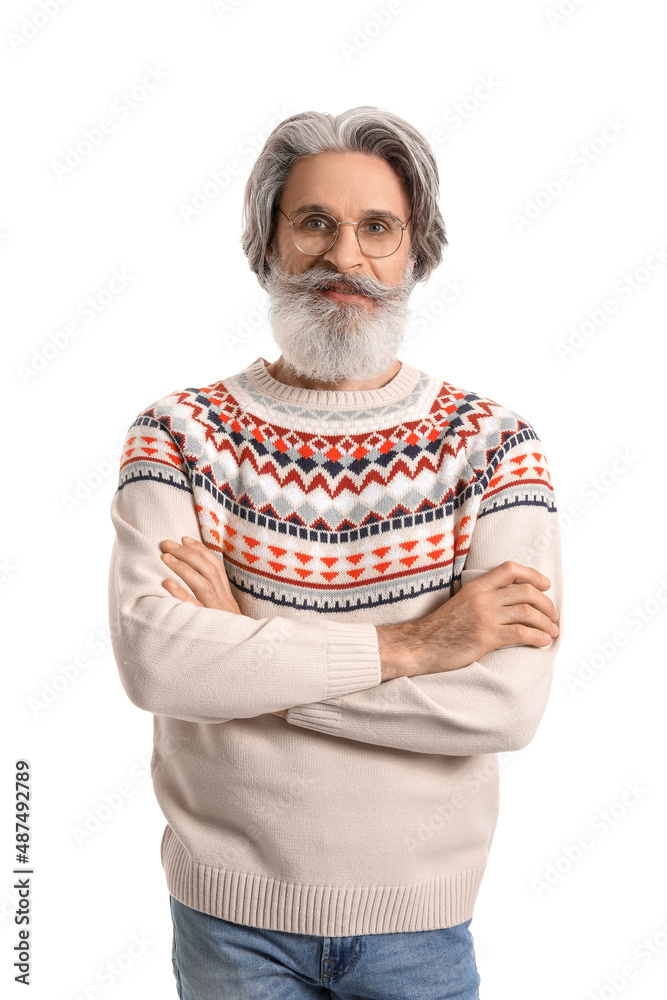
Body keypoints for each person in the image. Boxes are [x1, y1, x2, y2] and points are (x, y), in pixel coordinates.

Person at [108, 106, 563, 999]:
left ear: (414, 251)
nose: (345, 259)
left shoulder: (494, 447)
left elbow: (504, 707)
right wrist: (414, 647)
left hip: (419, 924)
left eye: (376, 229)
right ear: (268, 241)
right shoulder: (176, 434)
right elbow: (159, 665)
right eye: (313, 222)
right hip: (227, 922)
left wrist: (251, 650)